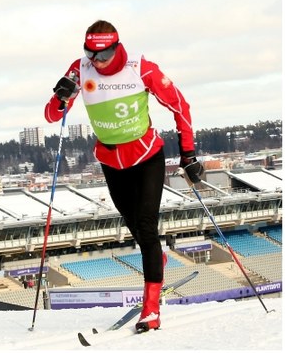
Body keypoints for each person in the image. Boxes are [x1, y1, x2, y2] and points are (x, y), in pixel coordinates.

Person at [44, 20, 203, 332]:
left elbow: (180, 106)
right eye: (91, 55)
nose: (97, 62)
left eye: (103, 56)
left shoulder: (141, 68)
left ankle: (151, 310)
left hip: (146, 156)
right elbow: (52, 116)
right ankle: (157, 255)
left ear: (116, 48)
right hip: (111, 161)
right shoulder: (80, 68)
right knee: (135, 226)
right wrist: (59, 97)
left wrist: (188, 154)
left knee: (146, 225)